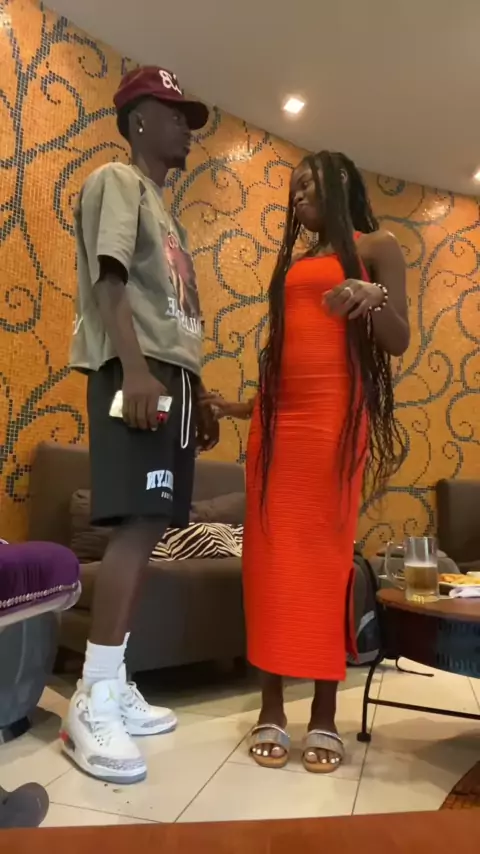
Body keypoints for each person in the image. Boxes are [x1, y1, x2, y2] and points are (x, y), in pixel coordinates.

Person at [206, 151, 409, 773]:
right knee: (267, 563)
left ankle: (324, 712)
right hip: (278, 428)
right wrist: (242, 408)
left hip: (335, 425)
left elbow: (398, 339)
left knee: (324, 564)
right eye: (292, 188)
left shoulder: (378, 247)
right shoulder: (296, 262)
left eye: (307, 184)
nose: (296, 196)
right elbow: (287, 353)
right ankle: (271, 706)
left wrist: (372, 295)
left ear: (341, 182)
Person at [63, 66, 218, 784]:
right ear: (139, 120)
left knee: (152, 526)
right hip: (139, 372)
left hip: (169, 376)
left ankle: (114, 681)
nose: (187, 126)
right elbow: (110, 282)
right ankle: (92, 699)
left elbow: (173, 312)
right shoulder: (117, 183)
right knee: (133, 526)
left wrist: (196, 391)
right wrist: (135, 371)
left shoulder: (165, 210)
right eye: (174, 112)